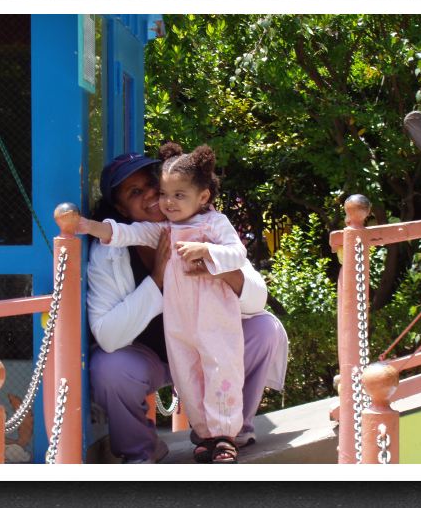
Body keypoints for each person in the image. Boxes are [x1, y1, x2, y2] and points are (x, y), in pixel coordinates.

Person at [83, 148, 288, 463]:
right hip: (151, 358)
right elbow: (108, 337)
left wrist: (217, 267)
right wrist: (157, 279)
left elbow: (257, 298)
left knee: (265, 329)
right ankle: (141, 450)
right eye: (135, 192)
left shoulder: (205, 227)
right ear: (120, 207)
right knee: (109, 368)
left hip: (210, 343)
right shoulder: (109, 254)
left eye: (153, 183)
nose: (153, 195)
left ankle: (228, 433)